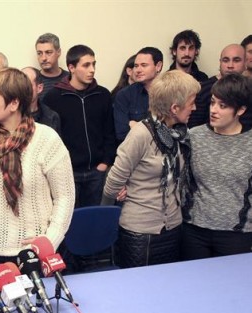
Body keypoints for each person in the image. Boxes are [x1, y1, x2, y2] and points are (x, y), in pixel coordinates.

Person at [0, 68, 75, 273]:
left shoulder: (47, 140)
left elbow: (65, 196)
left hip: (33, 253)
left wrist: (50, 239)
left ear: (14, 103)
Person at [104, 70, 200, 268]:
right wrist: (123, 192)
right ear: (175, 107)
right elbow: (112, 183)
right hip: (140, 232)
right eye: (191, 103)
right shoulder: (141, 134)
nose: (195, 107)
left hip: (173, 227)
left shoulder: (180, 133)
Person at [182, 74, 252, 259]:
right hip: (194, 229)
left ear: (240, 110)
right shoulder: (194, 136)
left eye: (223, 106)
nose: (214, 110)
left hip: (236, 233)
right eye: (213, 103)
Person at [43, 45, 116, 208]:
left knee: (92, 219)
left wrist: (105, 162)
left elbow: (110, 131)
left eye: (94, 64)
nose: (92, 70)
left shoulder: (103, 94)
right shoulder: (53, 98)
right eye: (86, 65)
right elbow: (50, 137)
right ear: (71, 68)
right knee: (70, 221)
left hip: (96, 172)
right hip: (68, 173)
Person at [188, 44, 247, 129]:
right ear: (220, 62)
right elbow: (193, 128)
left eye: (236, 60)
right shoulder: (203, 90)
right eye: (225, 60)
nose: (230, 65)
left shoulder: (248, 90)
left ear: (245, 63)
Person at [113, 47, 163, 144]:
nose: (138, 70)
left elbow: (174, 132)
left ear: (158, 66)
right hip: (135, 155)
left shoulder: (170, 92)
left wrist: (136, 126)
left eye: (144, 65)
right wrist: (154, 130)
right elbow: (122, 134)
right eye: (136, 66)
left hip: (165, 155)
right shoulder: (124, 95)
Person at [21, 66, 61, 134]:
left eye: (27, 84)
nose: (22, 88)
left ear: (39, 88)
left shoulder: (51, 117)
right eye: (19, 84)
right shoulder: (9, 115)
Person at [36, 33, 70, 101]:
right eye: (39, 53)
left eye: (48, 52)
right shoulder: (33, 82)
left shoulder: (71, 79)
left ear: (59, 52)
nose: (43, 58)